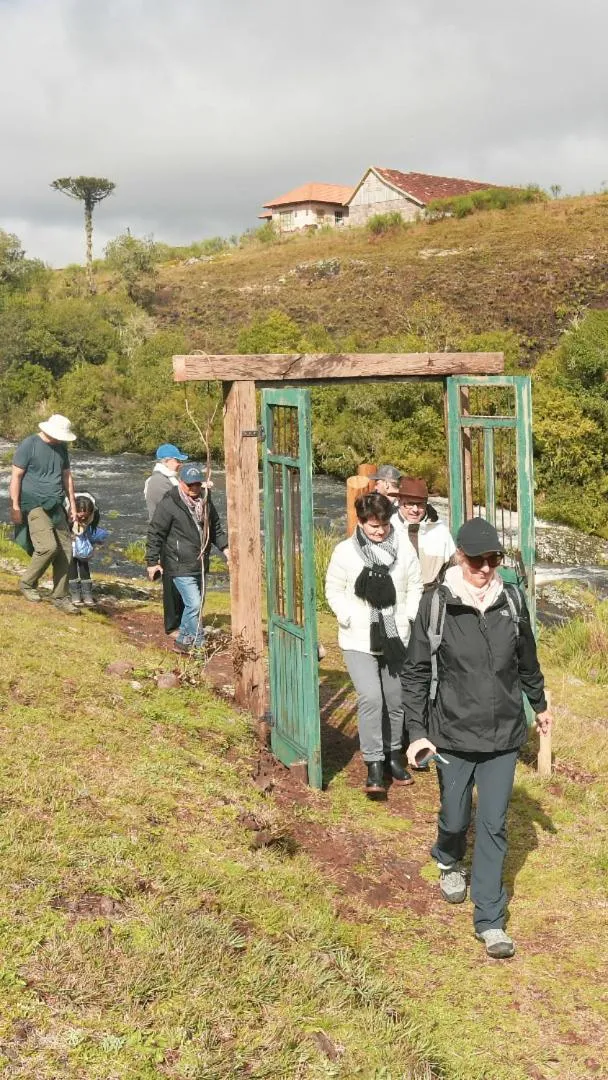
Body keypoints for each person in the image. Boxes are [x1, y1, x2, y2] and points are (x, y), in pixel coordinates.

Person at [402, 517, 552, 959]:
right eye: (476, 561)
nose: (485, 569)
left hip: (504, 734)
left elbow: (527, 659)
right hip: (451, 732)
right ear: (459, 558)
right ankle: (448, 858)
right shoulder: (439, 604)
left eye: (493, 560)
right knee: (454, 816)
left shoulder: (512, 601)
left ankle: (490, 919)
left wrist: (539, 705)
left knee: (493, 824)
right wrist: (416, 732)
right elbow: (415, 672)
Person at [325, 492, 423, 793]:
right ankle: (374, 763)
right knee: (371, 698)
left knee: (395, 699)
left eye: (382, 524)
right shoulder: (345, 552)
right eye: (372, 526)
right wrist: (348, 616)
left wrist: (406, 617)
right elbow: (334, 589)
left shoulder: (404, 549)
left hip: (395, 636)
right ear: (361, 522)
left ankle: (394, 755)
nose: (379, 531)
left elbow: (415, 586)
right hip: (358, 637)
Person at [145, 463, 229, 653]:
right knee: (194, 604)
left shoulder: (205, 501)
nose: (194, 489)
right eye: (190, 485)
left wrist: (226, 549)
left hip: (199, 563)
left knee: (194, 605)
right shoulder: (169, 503)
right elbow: (155, 533)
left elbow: (214, 528)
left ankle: (183, 642)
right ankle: (199, 645)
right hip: (178, 563)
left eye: (198, 484)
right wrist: (152, 562)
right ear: (181, 482)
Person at [10, 414, 80, 613]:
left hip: (56, 503)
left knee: (66, 551)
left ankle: (60, 596)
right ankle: (27, 583)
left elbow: (67, 477)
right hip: (34, 503)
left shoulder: (61, 448)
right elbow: (16, 476)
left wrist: (72, 506)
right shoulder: (29, 444)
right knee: (48, 547)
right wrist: (14, 506)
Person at [144, 443, 189, 637]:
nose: (180, 464)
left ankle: (181, 621)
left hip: (175, 535)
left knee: (178, 579)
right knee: (171, 582)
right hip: (166, 536)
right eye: (177, 460)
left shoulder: (168, 479)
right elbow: (174, 505)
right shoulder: (157, 482)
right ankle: (172, 626)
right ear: (166, 461)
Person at [394, 477, 456, 589]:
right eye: (409, 504)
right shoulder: (387, 527)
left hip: (432, 598)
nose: (415, 509)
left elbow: (453, 570)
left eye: (420, 504)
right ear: (399, 501)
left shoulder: (440, 531)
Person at [68, 493, 108, 607]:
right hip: (69, 534)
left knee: (83, 562)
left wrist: (91, 539)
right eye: (80, 516)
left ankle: (87, 594)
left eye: (86, 516)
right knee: (71, 561)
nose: (83, 518)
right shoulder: (67, 509)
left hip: (84, 537)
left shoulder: (95, 514)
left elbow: (93, 529)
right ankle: (75, 594)